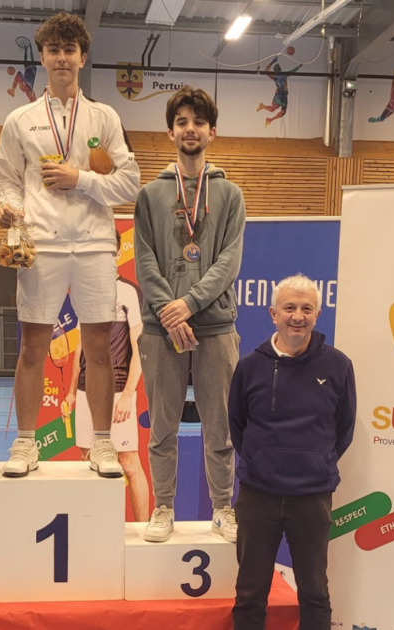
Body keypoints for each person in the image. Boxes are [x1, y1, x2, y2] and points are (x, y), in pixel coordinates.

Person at [0, 12, 140, 479]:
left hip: (97, 244)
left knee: (99, 348)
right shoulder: (20, 121)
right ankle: (24, 443)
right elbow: (8, 182)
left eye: (69, 50)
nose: (61, 58)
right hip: (42, 246)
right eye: (53, 50)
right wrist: (10, 208)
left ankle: (101, 443)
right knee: (33, 347)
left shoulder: (105, 117)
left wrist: (80, 179)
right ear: (42, 57)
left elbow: (131, 185)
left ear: (82, 57)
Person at [134, 86, 245, 542]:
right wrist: (169, 309)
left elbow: (229, 261)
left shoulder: (230, 193)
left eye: (198, 122)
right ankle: (163, 507)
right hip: (162, 330)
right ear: (170, 132)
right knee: (163, 426)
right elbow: (144, 259)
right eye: (182, 122)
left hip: (216, 326)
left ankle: (223, 507)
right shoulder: (150, 194)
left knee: (220, 424)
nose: (190, 129)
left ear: (212, 132)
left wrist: (190, 303)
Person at [229, 274, 356, 630]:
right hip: (258, 496)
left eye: (306, 309)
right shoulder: (250, 366)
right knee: (250, 593)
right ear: (273, 313)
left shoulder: (338, 366)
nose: (297, 316)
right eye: (289, 308)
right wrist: (258, 461)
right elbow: (237, 423)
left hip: (311, 497)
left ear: (317, 315)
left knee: (315, 594)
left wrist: (317, 462)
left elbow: (343, 429)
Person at [64, 231, 150, 520]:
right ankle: (94, 532)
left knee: (128, 463)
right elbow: (79, 347)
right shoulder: (84, 291)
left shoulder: (129, 292)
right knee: (88, 461)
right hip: (87, 392)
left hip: (117, 393)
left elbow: (140, 349)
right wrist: (72, 390)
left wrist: (128, 395)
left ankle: (141, 533)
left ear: (116, 253)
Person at [256, 55, 302, 128]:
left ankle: (266, 112)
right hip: (280, 95)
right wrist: (273, 62)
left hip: (282, 95)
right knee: (280, 110)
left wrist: (299, 66)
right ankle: (268, 116)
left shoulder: (281, 76)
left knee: (275, 110)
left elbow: (293, 71)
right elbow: (266, 71)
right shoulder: (277, 76)